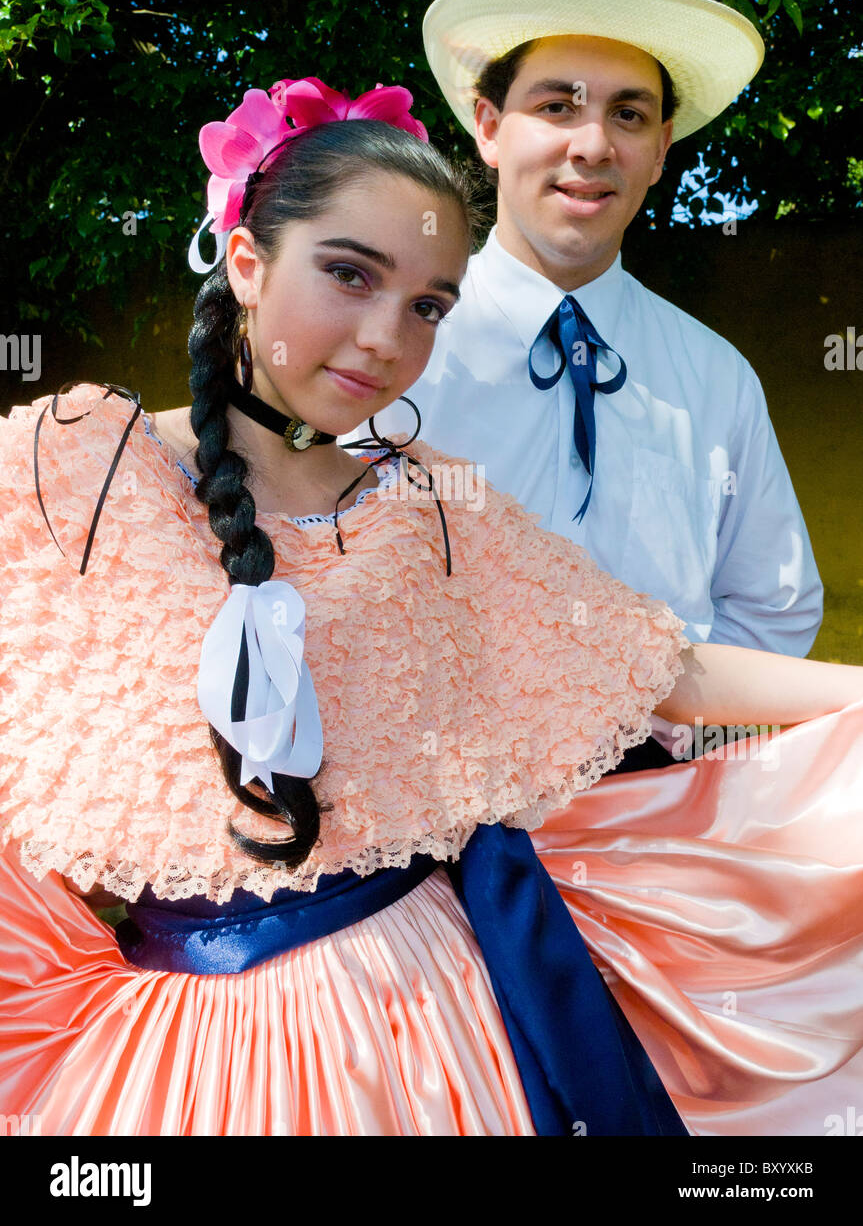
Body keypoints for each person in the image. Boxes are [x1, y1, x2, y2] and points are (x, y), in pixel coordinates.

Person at [1, 75, 862, 1139]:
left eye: (424, 307)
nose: (382, 337)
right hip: (186, 1052)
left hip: (439, 1030)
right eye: (348, 274)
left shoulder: (430, 503)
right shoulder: (69, 470)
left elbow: (656, 666)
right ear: (247, 259)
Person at [355, 0, 823, 767]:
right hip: (430, 815)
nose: (592, 144)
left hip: (663, 818)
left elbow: (772, 607)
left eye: (627, 114)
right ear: (491, 128)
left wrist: (674, 754)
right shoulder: (388, 348)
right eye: (558, 106)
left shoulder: (716, 376)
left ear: (660, 150)